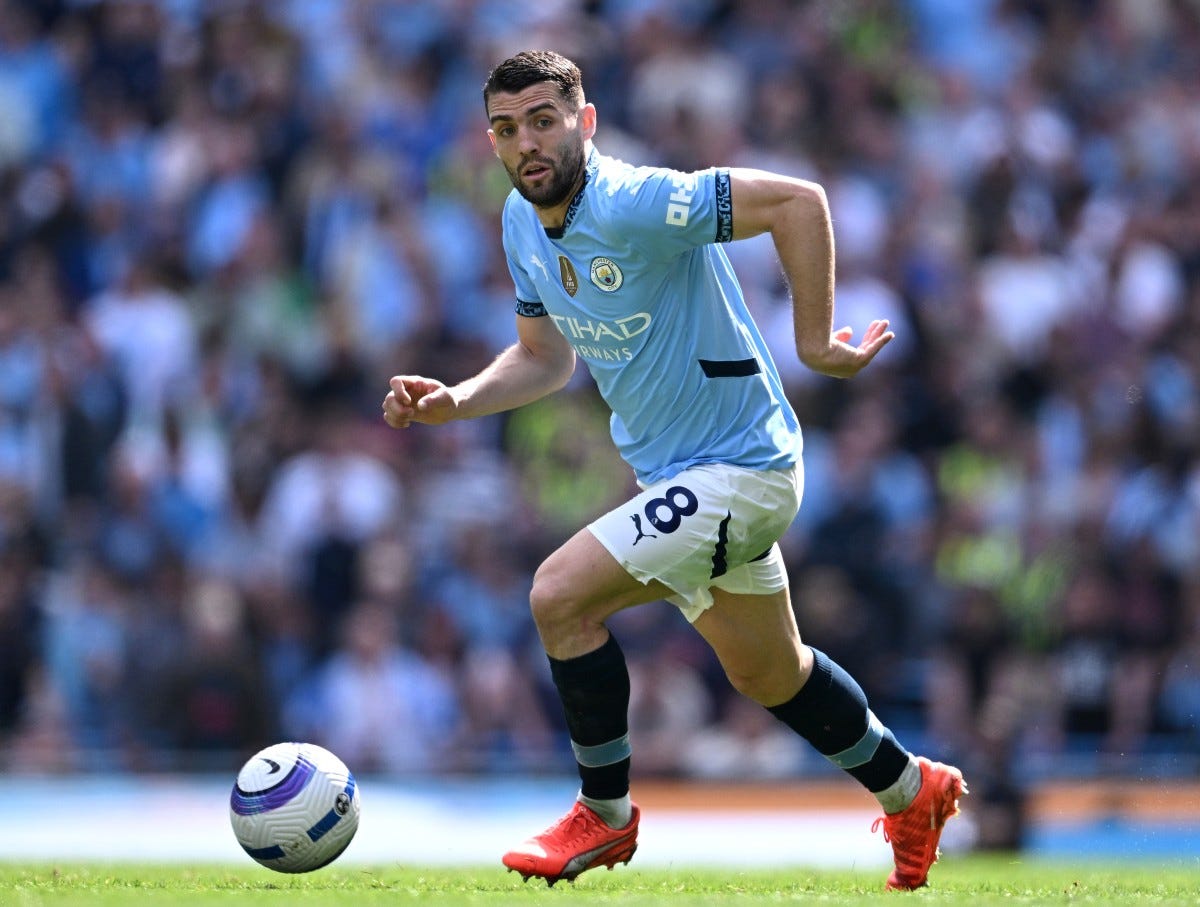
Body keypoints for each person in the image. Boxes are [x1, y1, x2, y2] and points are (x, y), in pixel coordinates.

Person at [382, 50, 965, 891]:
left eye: (544, 120)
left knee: (558, 595)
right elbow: (545, 360)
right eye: (507, 130)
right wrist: (455, 400)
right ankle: (913, 790)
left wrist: (813, 346)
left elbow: (800, 203)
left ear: (584, 122)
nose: (526, 144)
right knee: (771, 672)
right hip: (683, 484)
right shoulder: (520, 219)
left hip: (743, 470)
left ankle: (605, 816)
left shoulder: (636, 200)